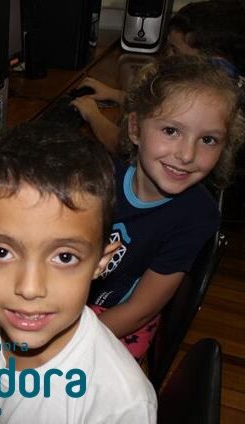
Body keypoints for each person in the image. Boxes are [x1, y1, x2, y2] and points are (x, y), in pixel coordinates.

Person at [0, 125, 157, 424]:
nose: (29, 288)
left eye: (64, 257)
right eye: (1, 252)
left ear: (101, 262)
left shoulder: (120, 404)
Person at [87, 54, 245, 360]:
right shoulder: (99, 176)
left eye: (208, 140)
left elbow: (140, 310)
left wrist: (64, 346)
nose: (187, 155)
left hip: (117, 320)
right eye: (171, 131)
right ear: (135, 129)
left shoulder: (197, 216)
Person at [71, 0, 245, 151]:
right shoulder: (231, 88)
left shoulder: (207, 106)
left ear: (214, 63)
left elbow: (125, 147)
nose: (168, 57)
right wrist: (116, 95)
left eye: (175, 50)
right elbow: (160, 112)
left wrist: (93, 115)